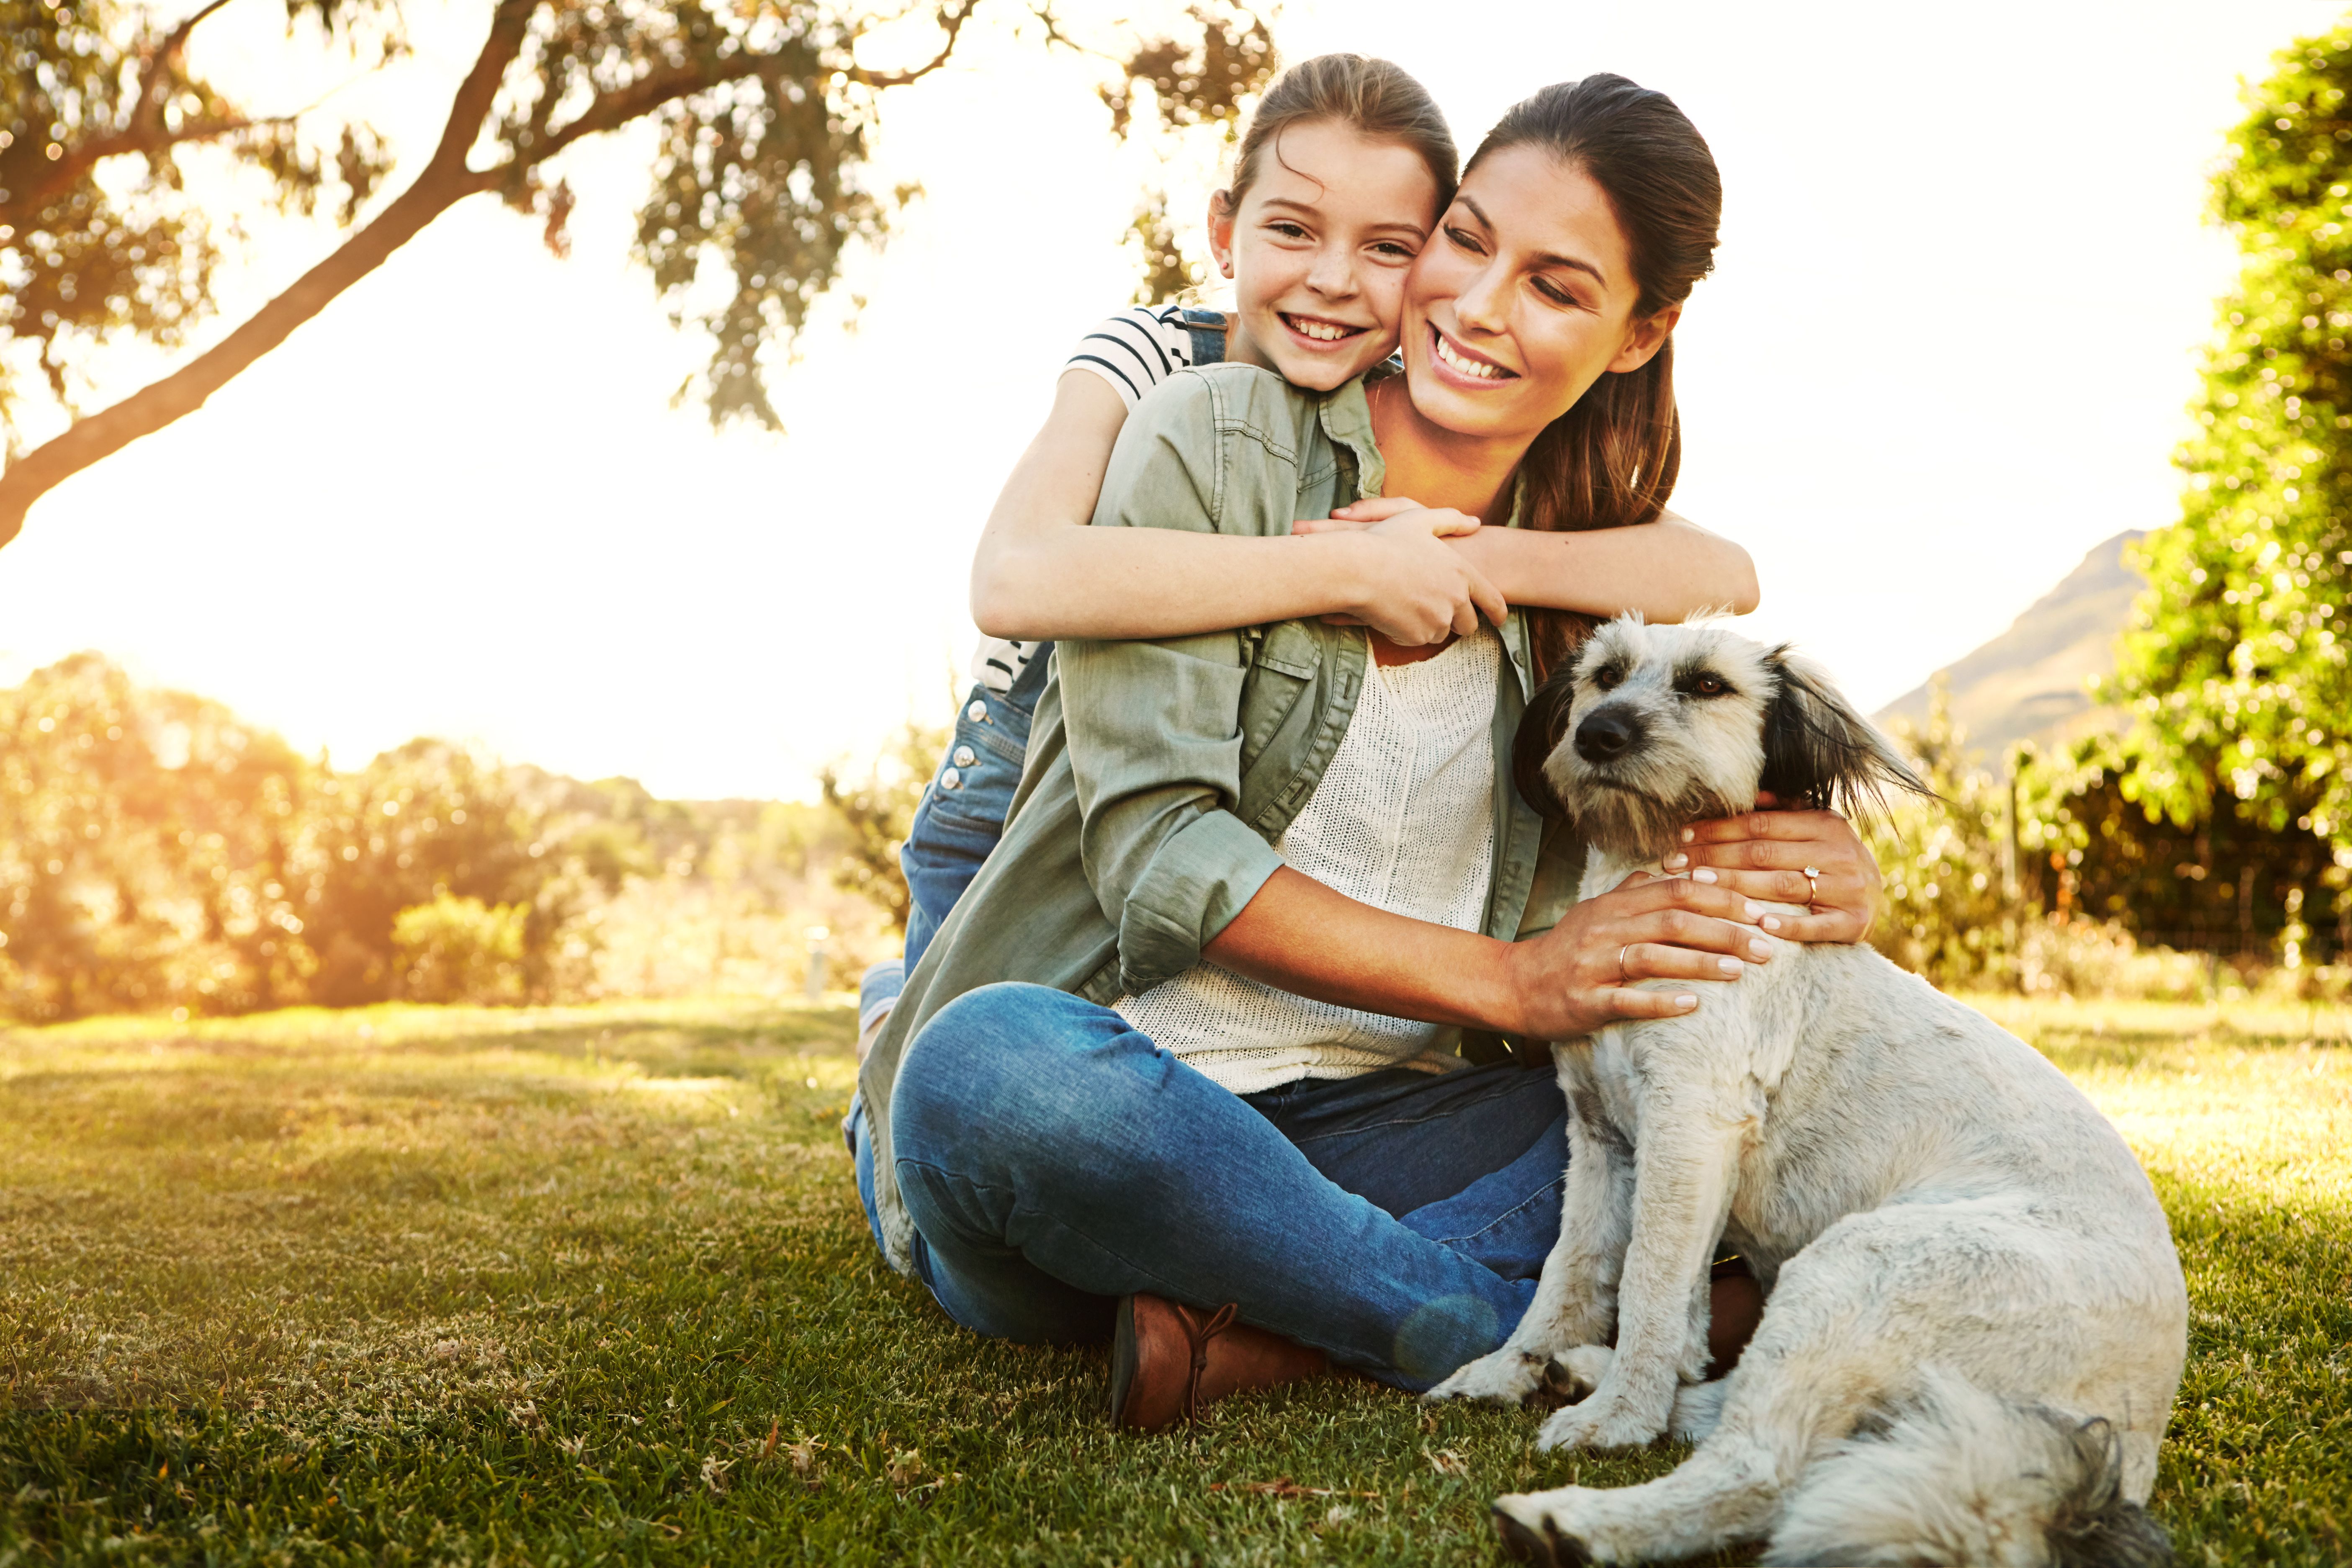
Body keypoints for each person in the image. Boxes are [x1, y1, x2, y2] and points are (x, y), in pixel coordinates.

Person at [855, 54, 1760, 1058]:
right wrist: (1350, 571)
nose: (1334, 278)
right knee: (955, 1035)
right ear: (1222, 231)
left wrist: (1465, 556)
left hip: (1284, 965)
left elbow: (1723, 573)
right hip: (1014, 765)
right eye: (1291, 229)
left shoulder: (1396, 368)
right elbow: (1014, 579)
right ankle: (892, 1033)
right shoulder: (1160, 360)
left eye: (1389, 245)